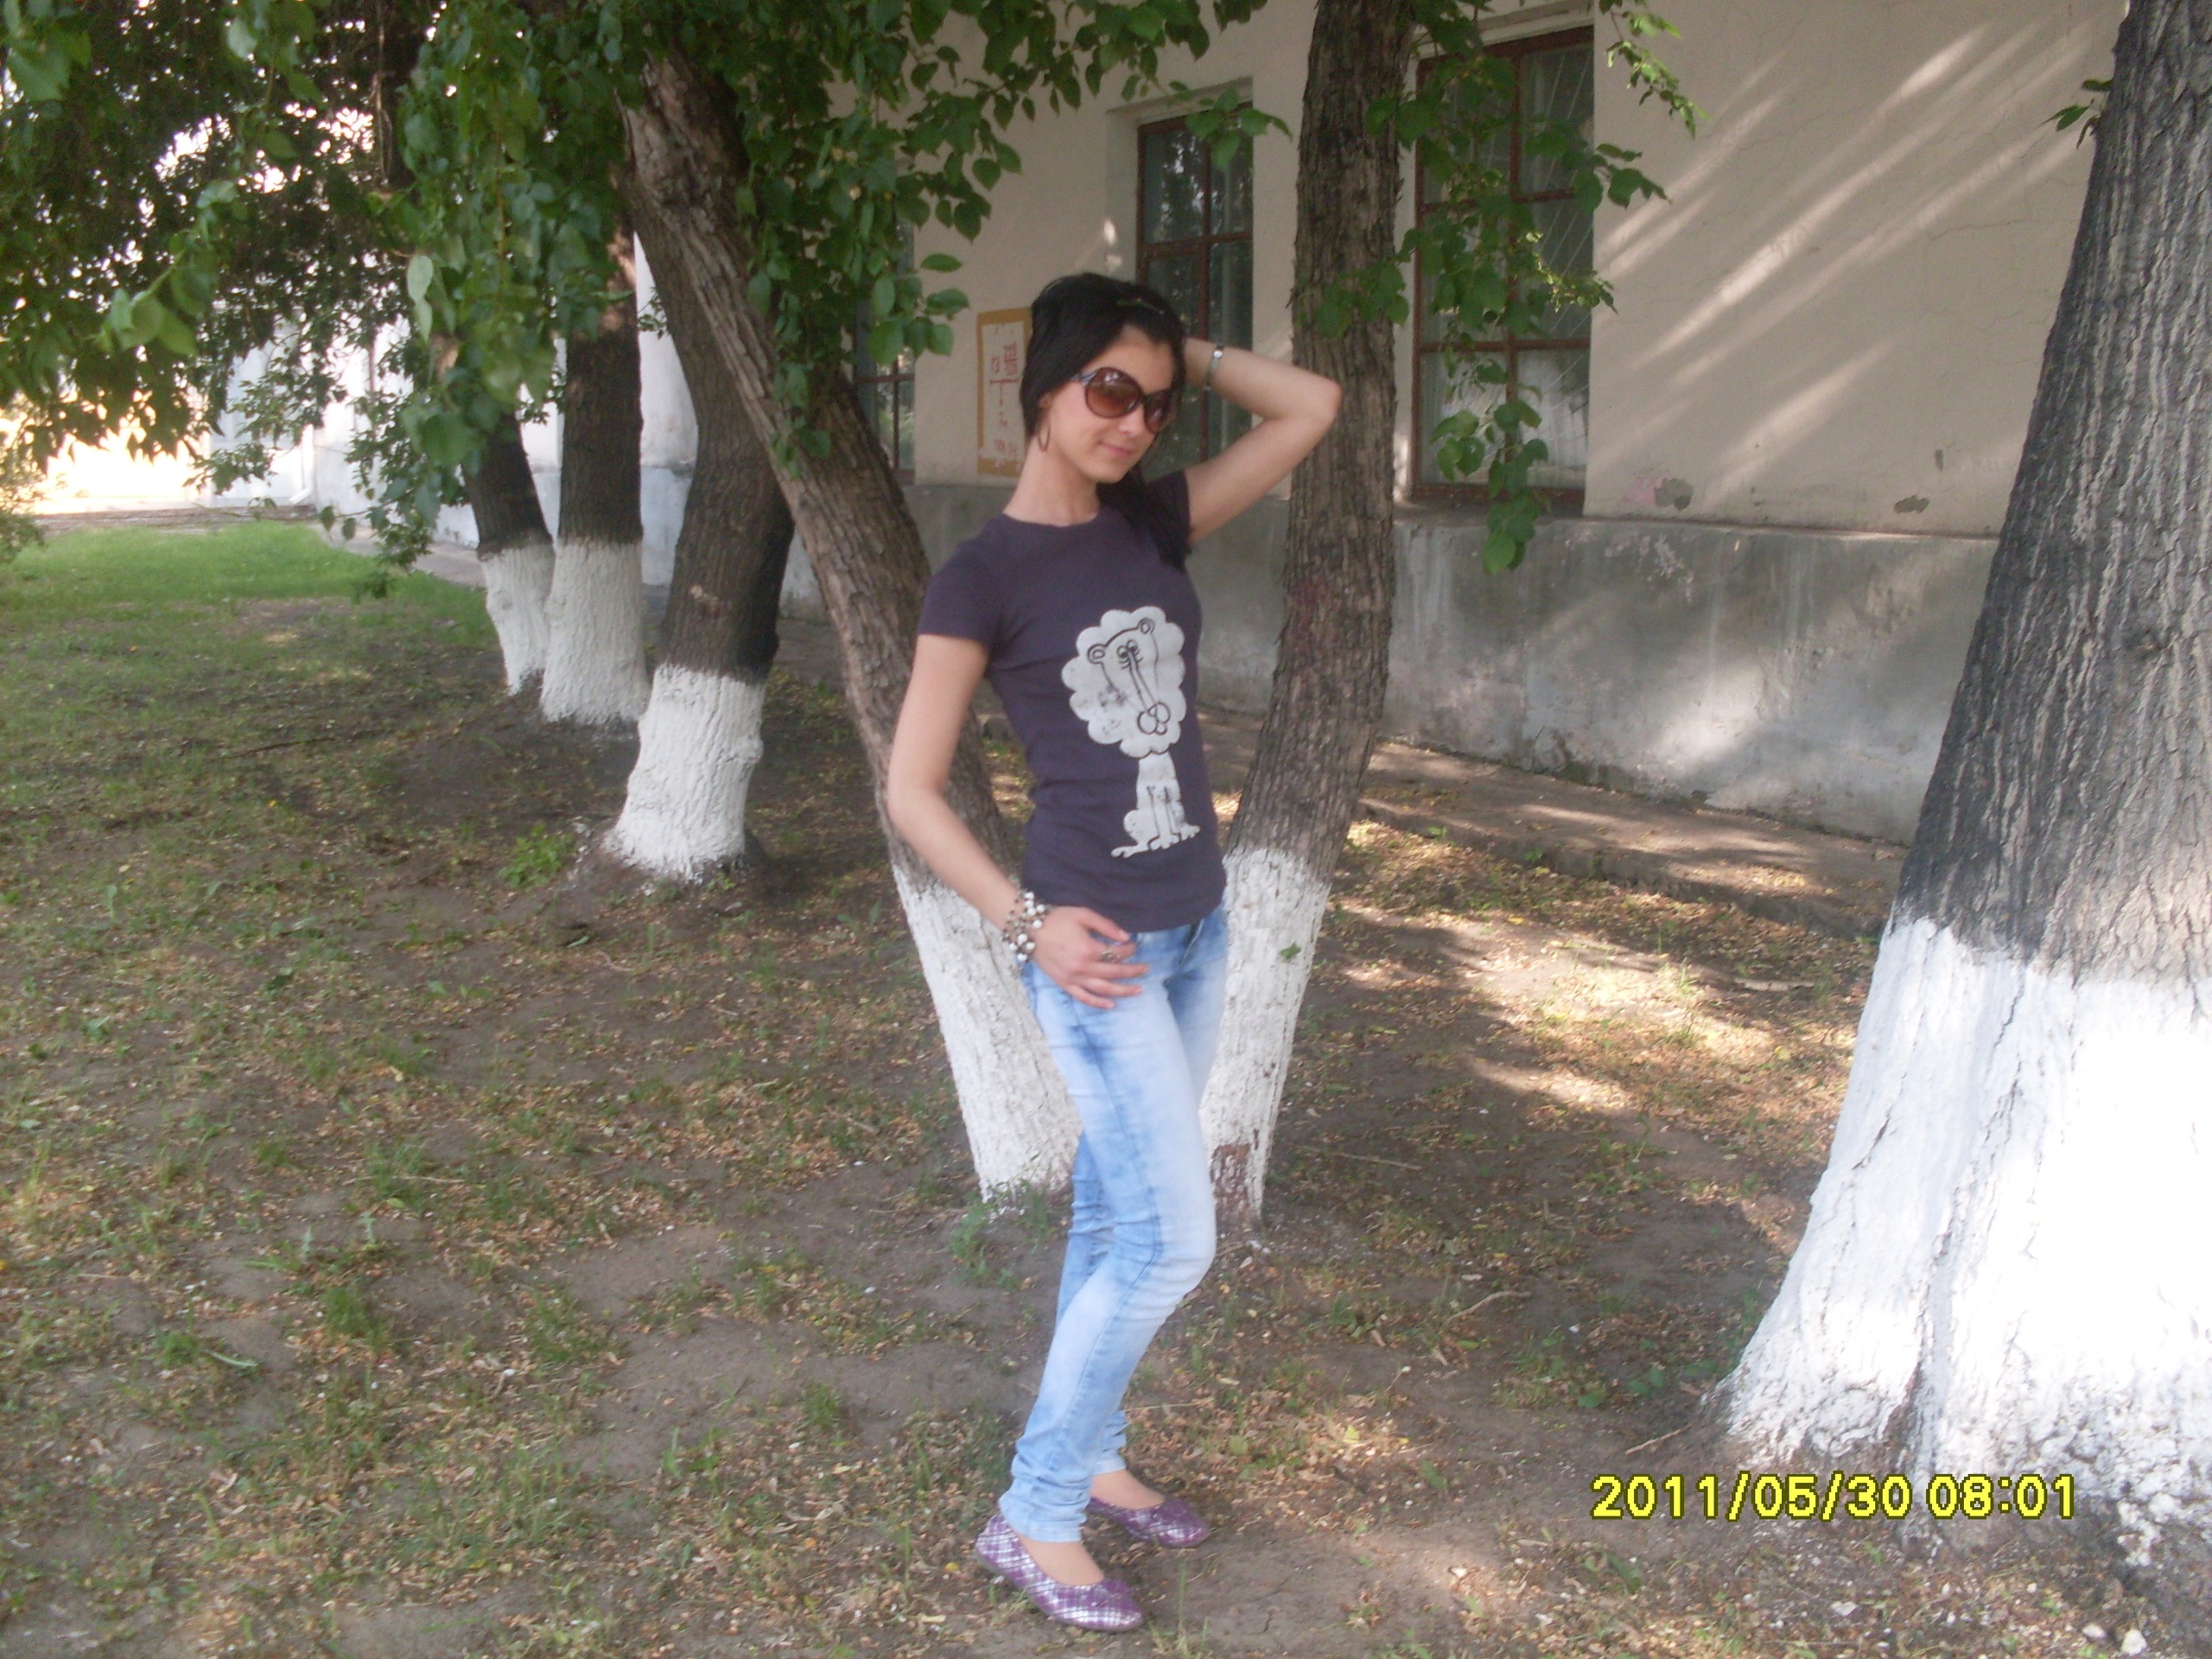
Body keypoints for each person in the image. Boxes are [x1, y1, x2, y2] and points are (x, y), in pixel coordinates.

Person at [885, 271, 1340, 1631]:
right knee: (1169, 1241)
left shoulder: (1151, 522)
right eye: (1106, 390)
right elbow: (911, 790)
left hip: (1197, 925)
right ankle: (1033, 1512)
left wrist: (1182, 351)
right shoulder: (982, 576)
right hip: (1095, 952)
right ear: (1045, 390)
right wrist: (1023, 923)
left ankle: (1092, 1458)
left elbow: (1313, 407)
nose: (1133, 421)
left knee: (1113, 1218)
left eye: (1153, 402)